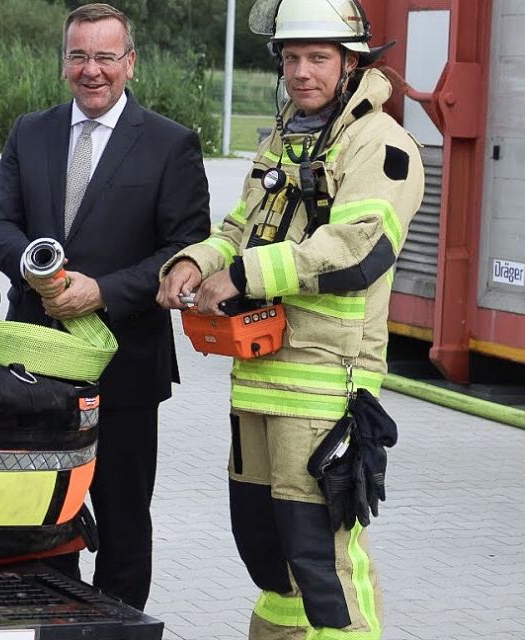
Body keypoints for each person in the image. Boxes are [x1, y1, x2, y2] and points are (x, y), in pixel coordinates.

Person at [157, 0, 425, 637]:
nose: (302, 72)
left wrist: (243, 276)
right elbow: (238, 230)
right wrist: (194, 262)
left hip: (324, 386)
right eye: (292, 58)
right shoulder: (286, 139)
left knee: (322, 559)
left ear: (351, 62)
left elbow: (357, 251)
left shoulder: (380, 144)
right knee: (268, 554)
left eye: (318, 58)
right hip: (257, 382)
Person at [0, 2, 210, 611]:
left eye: (105, 56)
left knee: (123, 518)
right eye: (78, 56)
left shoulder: (170, 144)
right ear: (64, 63)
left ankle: (116, 623)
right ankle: (49, 616)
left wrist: (102, 291)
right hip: (35, 363)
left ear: (130, 62)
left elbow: (185, 246)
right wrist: (36, 269)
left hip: (124, 366)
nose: (92, 70)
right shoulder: (30, 131)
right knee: (42, 512)